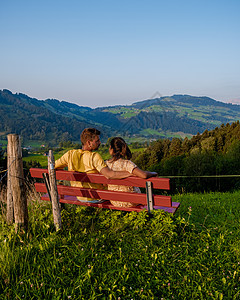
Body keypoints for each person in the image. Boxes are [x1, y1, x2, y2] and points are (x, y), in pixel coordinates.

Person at [55, 128, 131, 202]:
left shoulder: (69, 154)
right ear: (89, 143)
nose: (100, 142)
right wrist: (130, 173)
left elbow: (53, 166)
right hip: (96, 197)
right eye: (97, 141)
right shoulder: (94, 157)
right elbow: (110, 175)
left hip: (80, 197)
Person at [105, 137, 157, 207]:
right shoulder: (127, 164)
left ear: (111, 149)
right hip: (131, 202)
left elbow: (104, 184)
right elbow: (144, 175)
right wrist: (153, 173)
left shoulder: (106, 165)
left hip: (114, 201)